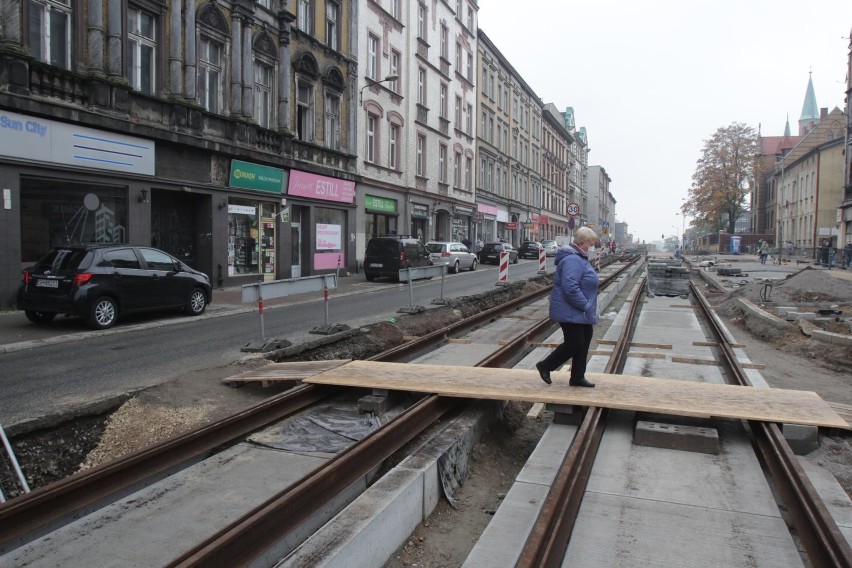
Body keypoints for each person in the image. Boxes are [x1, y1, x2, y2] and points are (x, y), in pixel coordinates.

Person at [535, 227, 599, 388]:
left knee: (584, 342)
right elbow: (570, 287)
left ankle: (577, 377)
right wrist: (585, 304)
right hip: (572, 309)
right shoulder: (572, 259)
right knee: (575, 342)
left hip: (579, 311)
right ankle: (545, 365)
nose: (591, 248)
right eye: (590, 244)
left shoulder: (579, 257)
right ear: (582, 242)